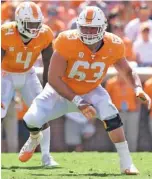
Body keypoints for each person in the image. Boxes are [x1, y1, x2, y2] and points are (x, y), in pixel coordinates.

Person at [19, 6, 151, 174]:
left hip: (91, 89)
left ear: (103, 27)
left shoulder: (113, 44)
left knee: (111, 115)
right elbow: (53, 78)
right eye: (85, 27)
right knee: (31, 119)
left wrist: (138, 88)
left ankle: (127, 163)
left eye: (93, 27)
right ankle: (35, 137)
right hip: (60, 92)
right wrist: (78, 101)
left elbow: (127, 71)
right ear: (78, 26)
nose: (88, 32)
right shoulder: (67, 40)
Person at [1, 1, 58, 167]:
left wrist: (49, 88)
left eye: (36, 24)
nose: (34, 28)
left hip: (28, 73)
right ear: (19, 21)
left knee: (43, 112)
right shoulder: (5, 33)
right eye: (30, 24)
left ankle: (46, 157)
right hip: (5, 74)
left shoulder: (45, 34)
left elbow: (49, 62)